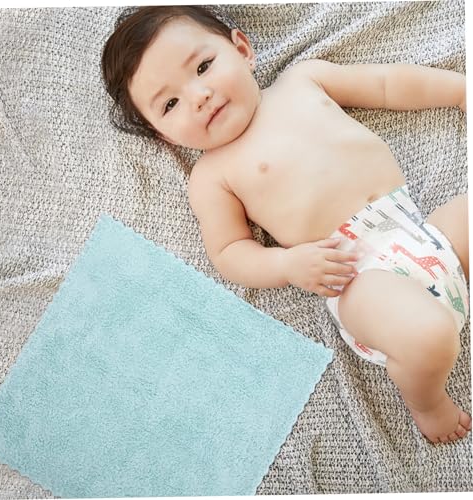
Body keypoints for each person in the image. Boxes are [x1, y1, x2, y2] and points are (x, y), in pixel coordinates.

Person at [101, 6, 470, 444]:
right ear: (165, 135)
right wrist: (288, 265)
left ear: (242, 49)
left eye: (203, 67)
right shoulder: (212, 176)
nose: (199, 96)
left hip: (421, 232)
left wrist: (460, 91)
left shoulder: (303, 80)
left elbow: (387, 84)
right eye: (170, 104)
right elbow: (229, 251)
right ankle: (427, 401)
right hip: (358, 277)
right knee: (428, 337)